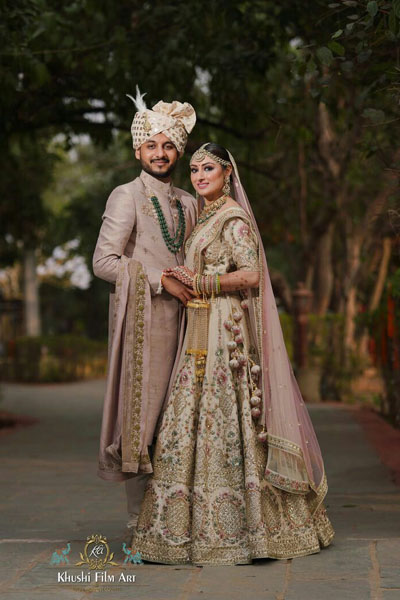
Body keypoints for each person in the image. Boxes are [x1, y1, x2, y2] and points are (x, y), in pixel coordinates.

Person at [130, 143, 335, 565]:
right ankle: (183, 528)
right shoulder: (204, 218)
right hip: (199, 325)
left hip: (225, 330)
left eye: (209, 168)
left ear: (227, 174)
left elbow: (252, 274)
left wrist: (203, 283)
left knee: (226, 413)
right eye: (195, 170)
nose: (200, 176)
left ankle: (250, 529)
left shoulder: (233, 218)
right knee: (191, 413)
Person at [92, 89, 198, 532]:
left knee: (182, 419)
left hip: (190, 323)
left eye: (168, 145)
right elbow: (103, 262)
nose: (160, 153)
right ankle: (140, 524)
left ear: (179, 152)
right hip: (145, 323)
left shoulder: (189, 202)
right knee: (144, 418)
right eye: (151, 145)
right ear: (138, 150)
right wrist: (159, 280)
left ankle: (178, 518)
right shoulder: (127, 196)